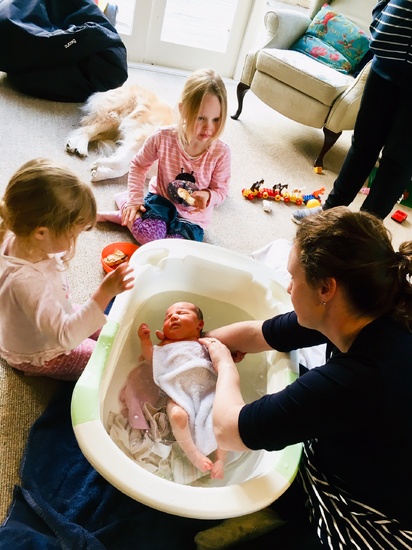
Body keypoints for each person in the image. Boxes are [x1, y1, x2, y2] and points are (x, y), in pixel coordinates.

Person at [199, 207, 412, 548]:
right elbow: (259, 334)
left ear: (326, 289)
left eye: (293, 277)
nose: (287, 287)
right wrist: (197, 344)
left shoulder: (356, 380)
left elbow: (228, 430)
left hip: (378, 513)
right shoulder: (363, 305)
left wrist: (224, 365)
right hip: (368, 445)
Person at [0, 158, 134, 380]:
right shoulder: (27, 282)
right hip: (41, 349)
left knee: (115, 329)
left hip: (46, 314)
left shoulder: (17, 230)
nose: (75, 240)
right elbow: (66, 336)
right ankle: (26, 366)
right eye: (73, 234)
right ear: (41, 233)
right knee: (109, 359)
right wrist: (105, 292)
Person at [292, 0, 412, 224]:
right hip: (384, 60)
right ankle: (330, 212)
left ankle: (363, 231)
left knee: (398, 160)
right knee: (363, 143)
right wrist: (380, 26)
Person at [97, 68, 231, 243]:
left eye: (216, 119)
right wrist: (135, 199)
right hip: (160, 201)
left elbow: (221, 190)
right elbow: (139, 164)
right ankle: (125, 206)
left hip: (192, 219)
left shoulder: (221, 153)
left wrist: (208, 196)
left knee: (174, 248)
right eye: (200, 118)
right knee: (149, 237)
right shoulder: (163, 137)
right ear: (183, 110)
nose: (209, 127)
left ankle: (129, 214)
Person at [138, 301, 227, 479]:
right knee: (177, 415)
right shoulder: (165, 346)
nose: (173, 317)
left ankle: (221, 459)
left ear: (199, 325)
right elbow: (152, 358)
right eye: (167, 317)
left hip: (208, 392)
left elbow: (221, 357)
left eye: (182, 313)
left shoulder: (204, 343)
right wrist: (145, 340)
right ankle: (192, 453)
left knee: (223, 416)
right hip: (178, 393)